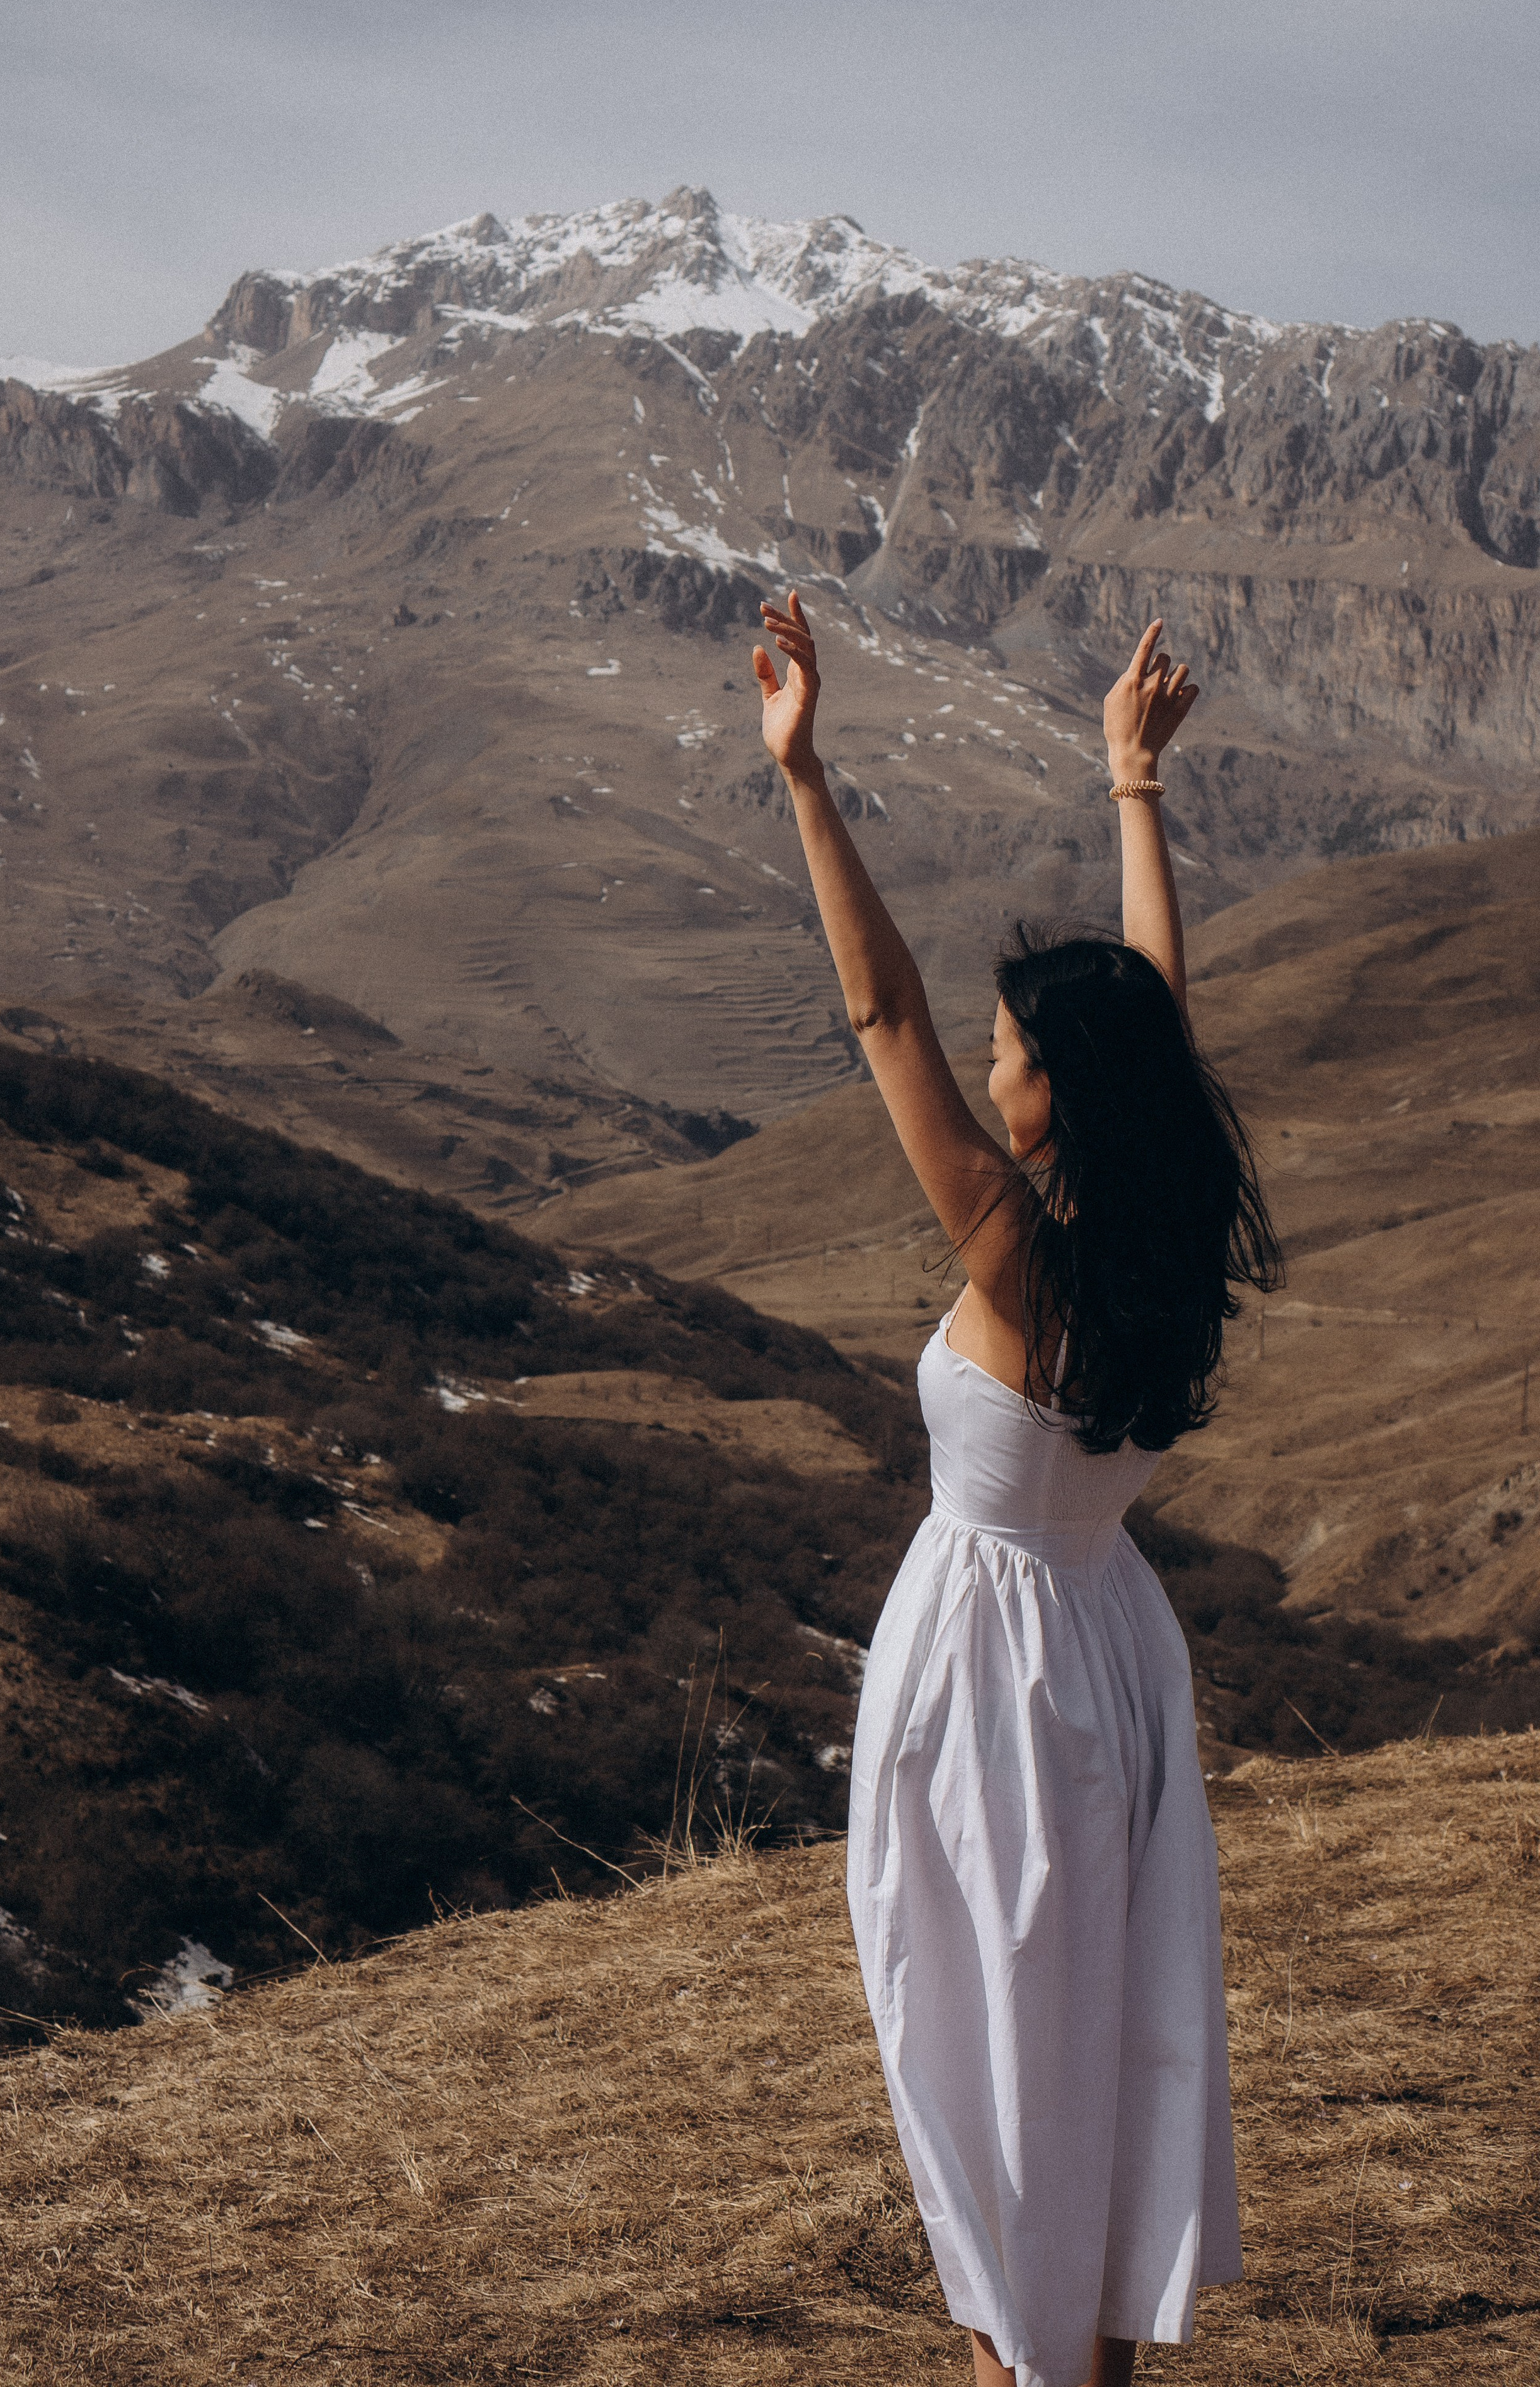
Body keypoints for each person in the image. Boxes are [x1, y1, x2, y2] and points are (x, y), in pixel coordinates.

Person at [751, 598, 1280, 2387]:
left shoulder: (1020, 1262)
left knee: (990, 2059)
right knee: (1101, 2043)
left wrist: (807, 779)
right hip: (1112, 1652)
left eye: (1008, 1057)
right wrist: (1132, 787)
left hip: (992, 1675)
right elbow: (1156, 1032)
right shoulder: (1158, 1236)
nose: (985, 1071)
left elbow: (879, 1007)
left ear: (1054, 1096)